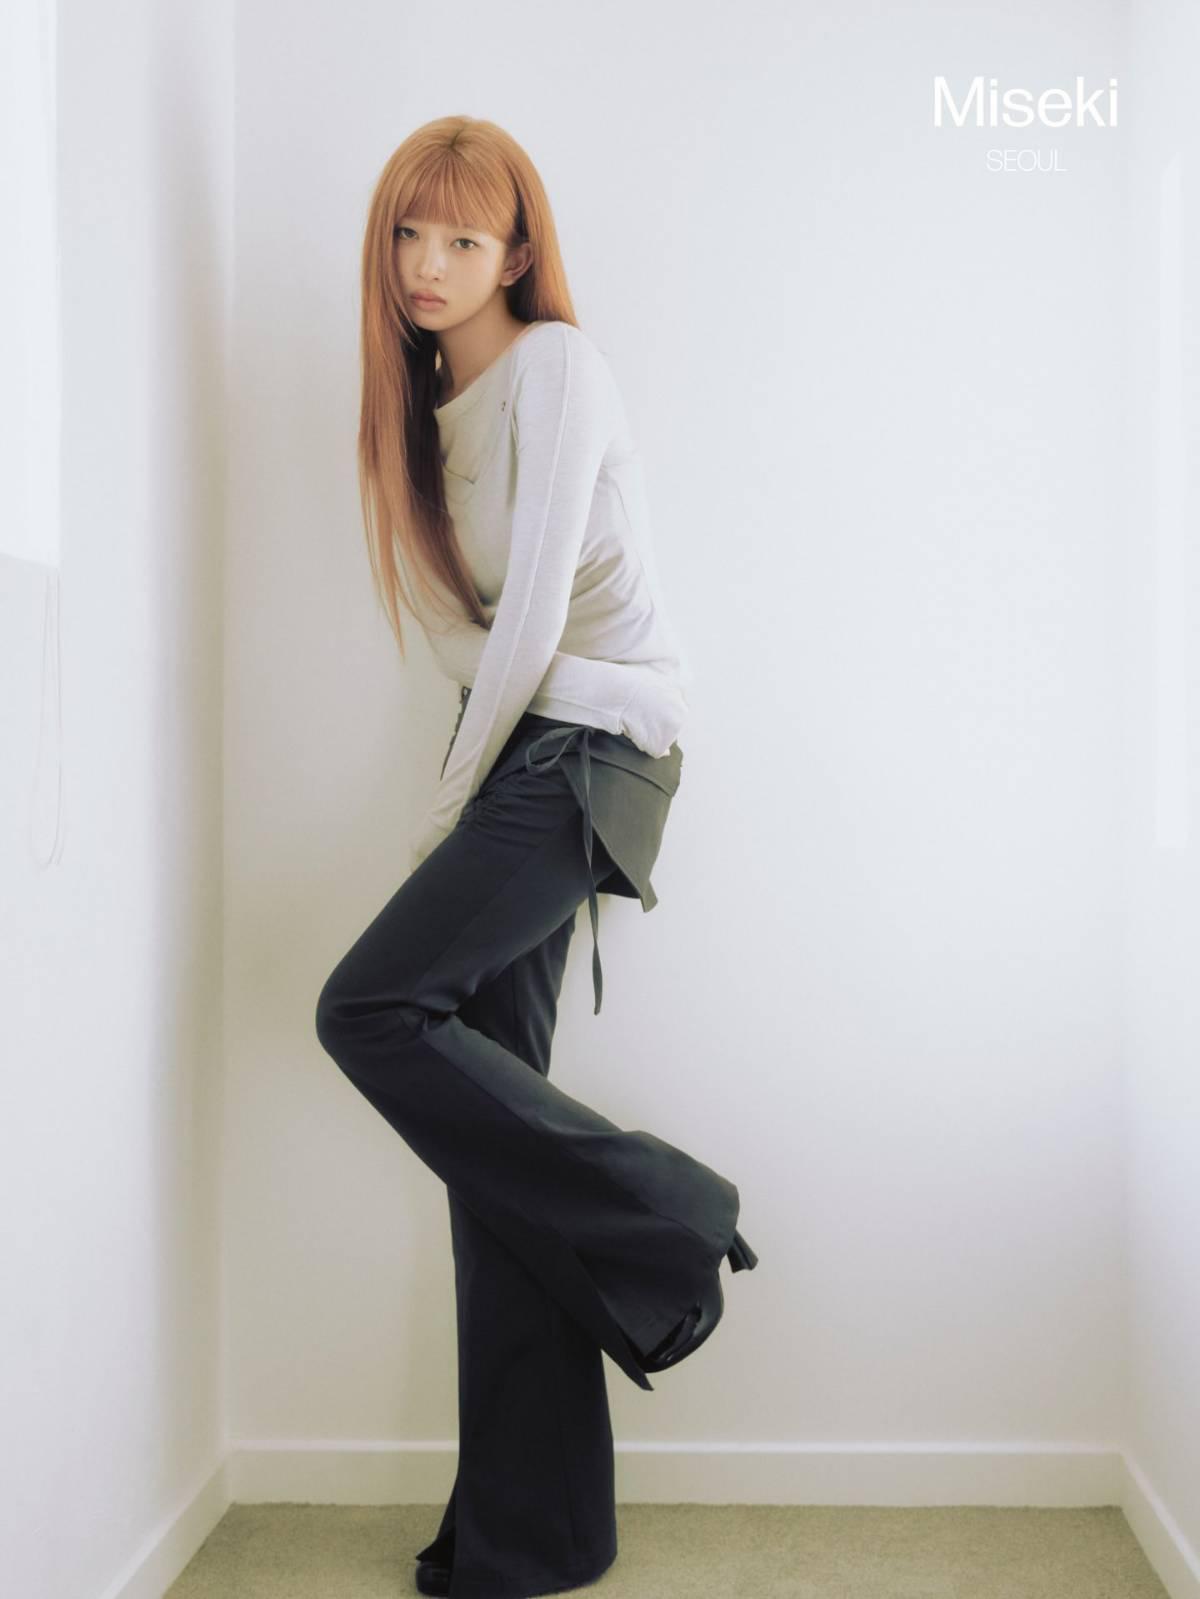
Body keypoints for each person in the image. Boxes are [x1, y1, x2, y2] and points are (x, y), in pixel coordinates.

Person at [314, 114, 759, 1599]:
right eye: (408, 232)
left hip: (596, 758)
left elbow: (527, 625)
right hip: (539, 741)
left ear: (515, 254)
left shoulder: (559, 369)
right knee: (489, 1167)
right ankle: (534, 1536)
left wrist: (458, 800)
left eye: (463, 237)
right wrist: (533, 727)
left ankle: (667, 1212)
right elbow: (457, 644)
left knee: (369, 1008)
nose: (429, 264)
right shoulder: (418, 418)